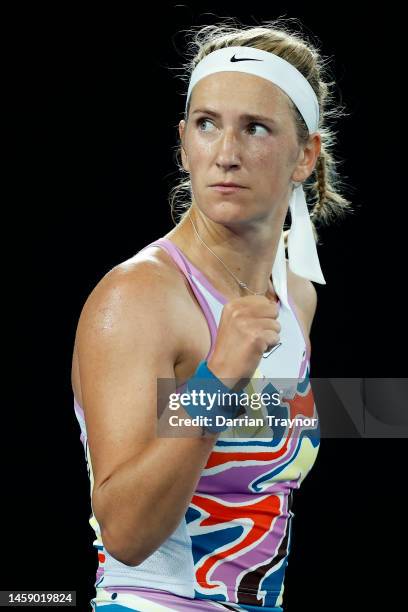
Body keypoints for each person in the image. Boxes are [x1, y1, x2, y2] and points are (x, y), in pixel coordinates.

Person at [71, 18, 352, 611]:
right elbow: (125, 534)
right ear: (183, 142)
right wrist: (215, 380)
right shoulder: (139, 297)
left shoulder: (297, 295)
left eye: (255, 128)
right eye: (207, 125)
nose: (226, 154)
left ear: (305, 155)